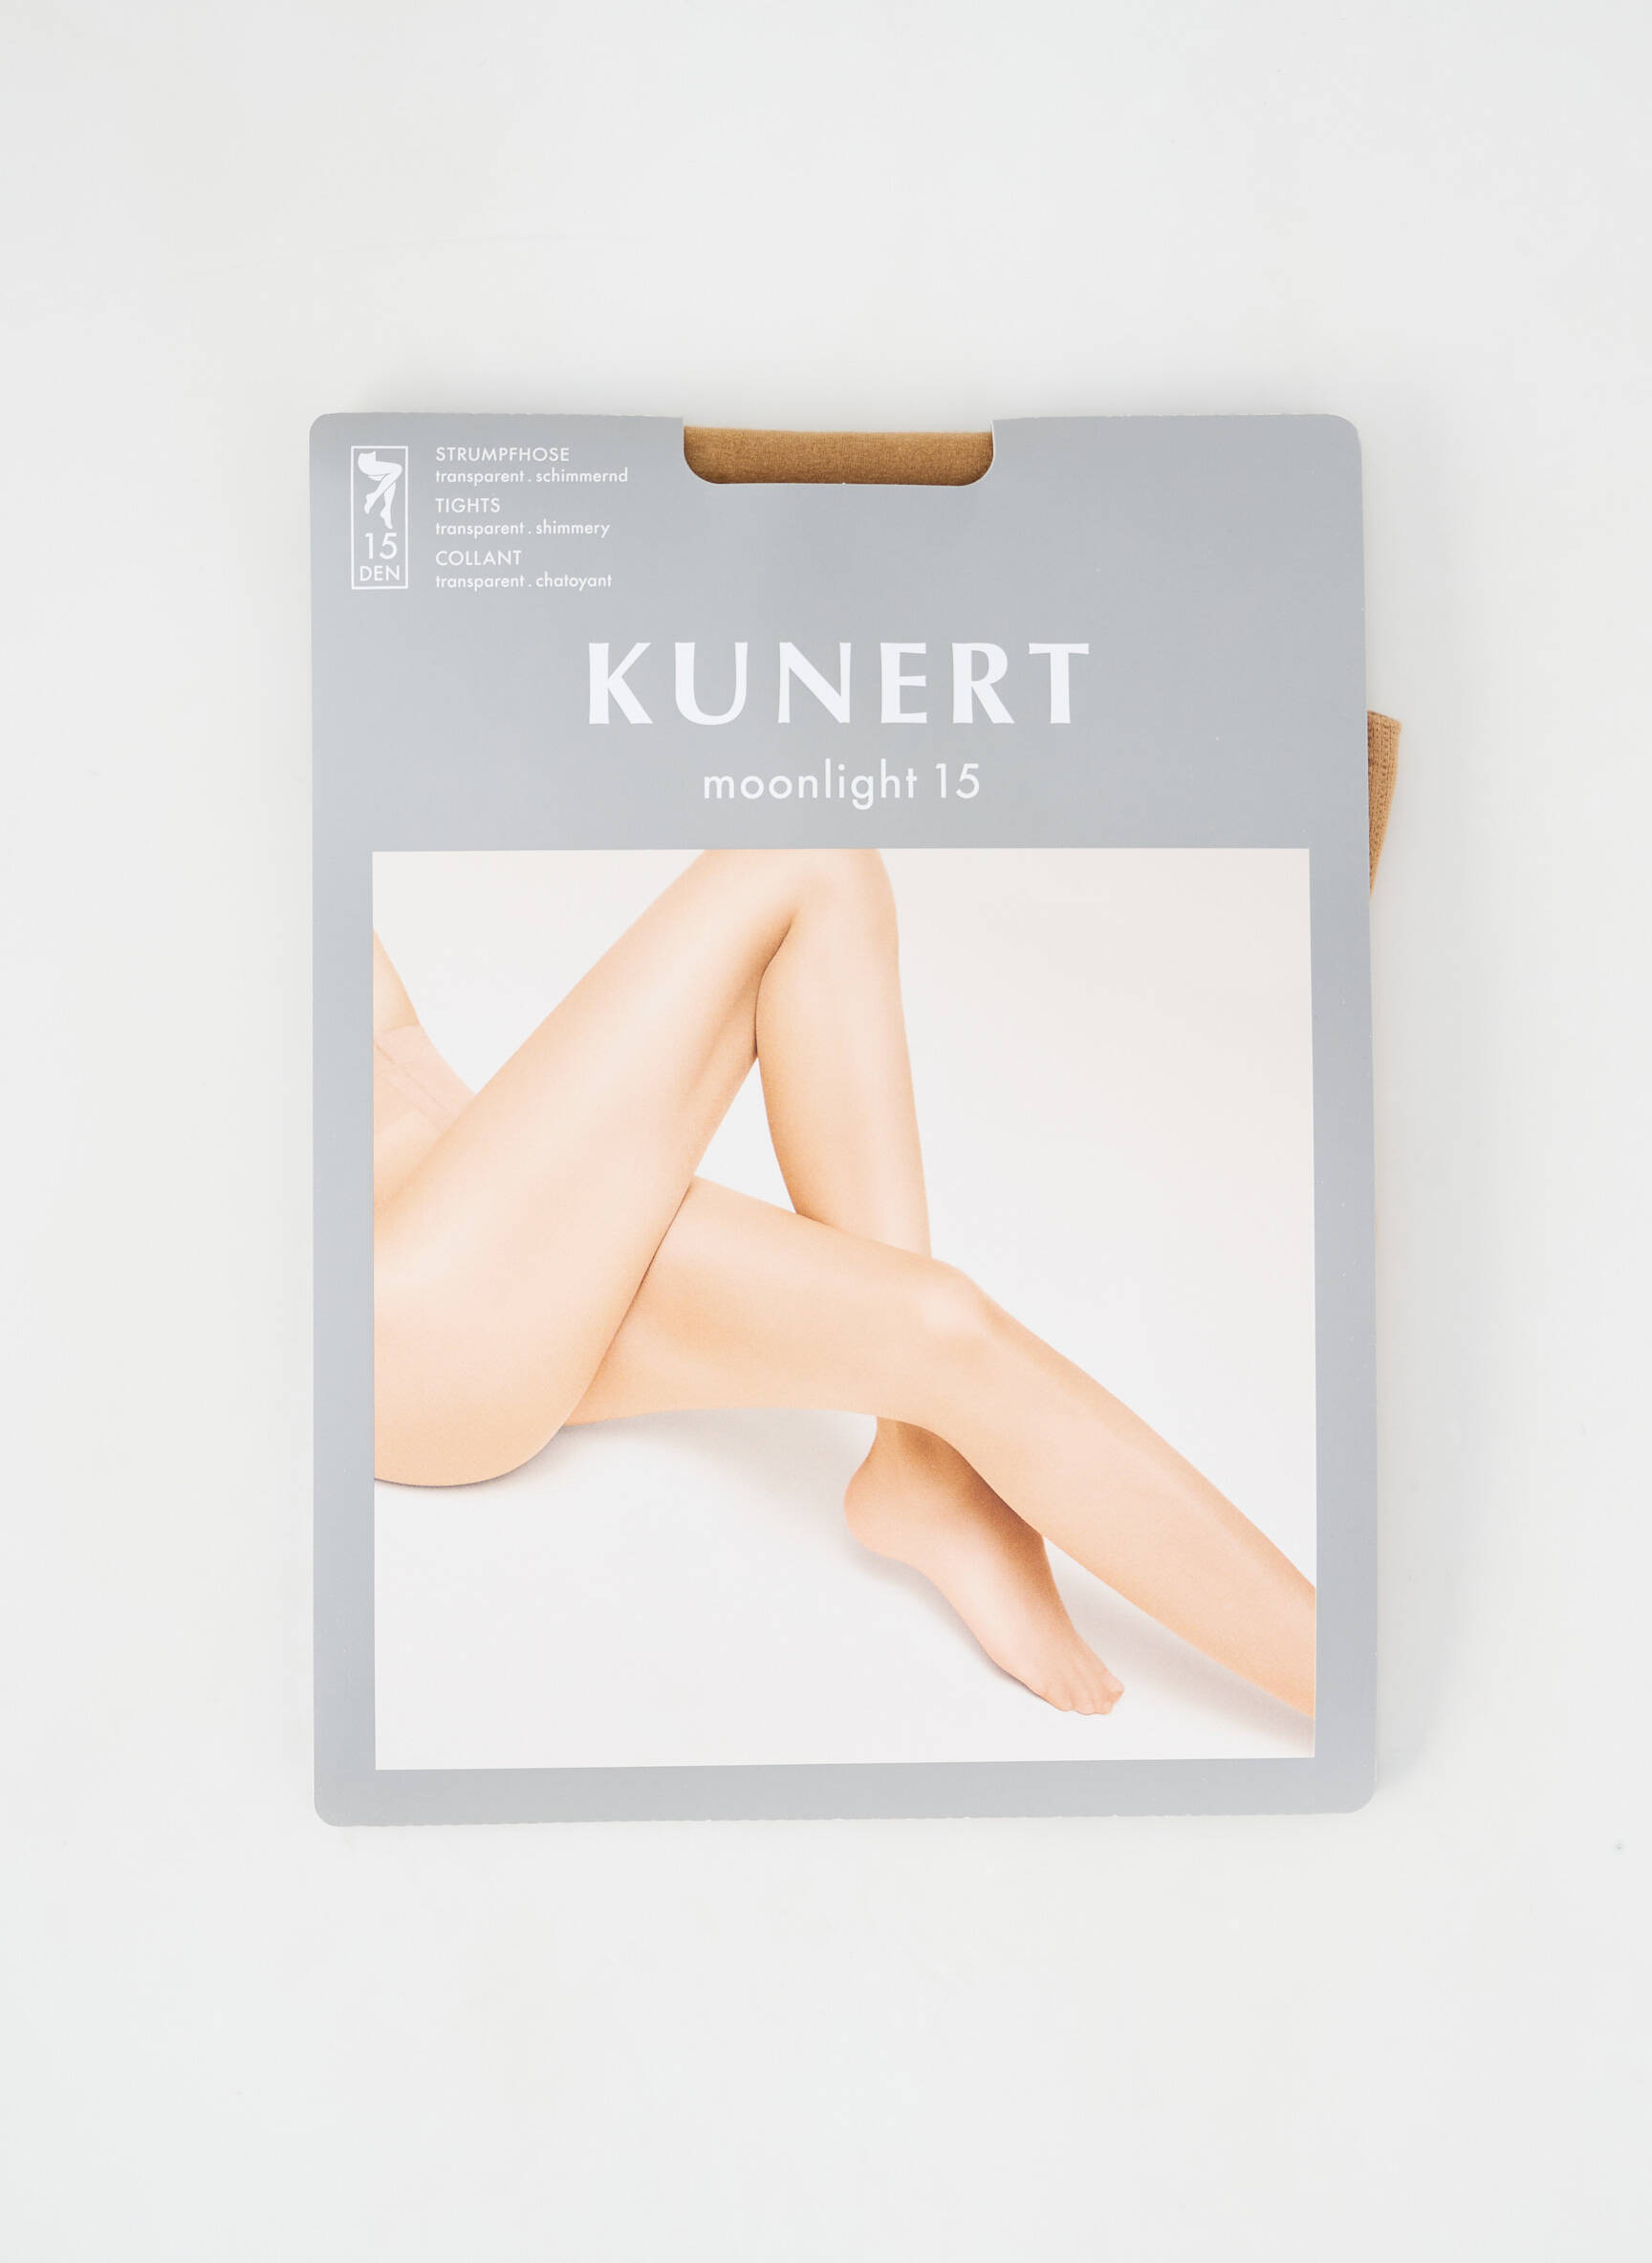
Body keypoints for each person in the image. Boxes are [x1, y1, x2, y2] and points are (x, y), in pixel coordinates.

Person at [372, 849, 1315, 1719]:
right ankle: (1350, 1685)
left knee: (936, 1320)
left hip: (474, 1219)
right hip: (399, 1320)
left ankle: (923, 1465)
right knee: (802, 858)